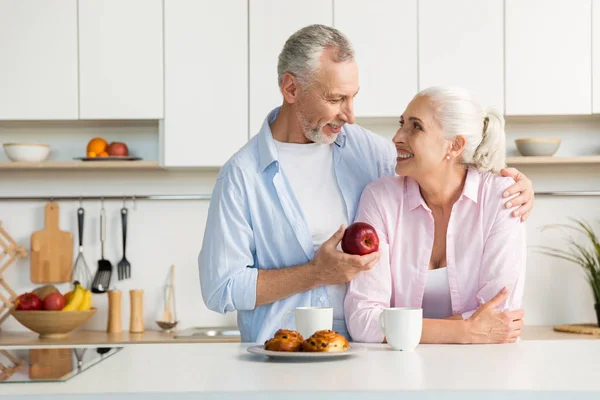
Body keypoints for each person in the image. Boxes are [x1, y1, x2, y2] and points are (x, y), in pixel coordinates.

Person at [198, 24, 534, 344]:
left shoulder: (367, 151)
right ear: (291, 89)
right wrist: (315, 273)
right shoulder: (241, 177)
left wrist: (515, 184)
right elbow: (221, 288)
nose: (350, 115)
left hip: (363, 358)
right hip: (280, 354)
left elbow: (437, 165)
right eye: (335, 99)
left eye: (352, 97)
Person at [344, 86, 526, 344]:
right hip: (399, 369)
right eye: (401, 123)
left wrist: (398, 329)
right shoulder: (380, 198)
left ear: (455, 145)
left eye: (415, 126)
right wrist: (465, 331)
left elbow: (501, 317)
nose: (397, 137)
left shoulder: (502, 198)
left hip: (484, 366)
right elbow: (362, 320)